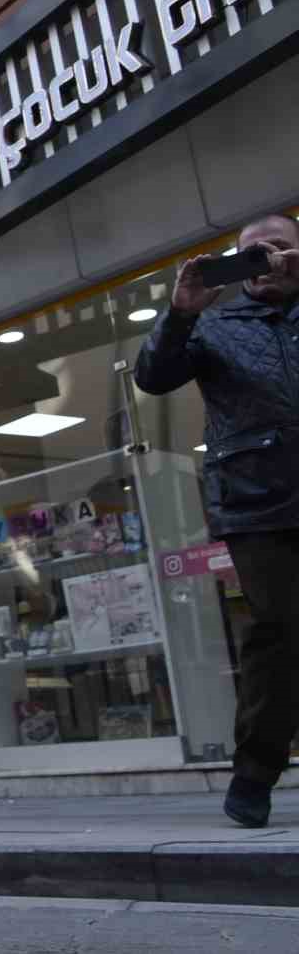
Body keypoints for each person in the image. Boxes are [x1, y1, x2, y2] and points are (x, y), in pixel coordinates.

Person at [135, 213, 299, 829]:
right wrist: (180, 312)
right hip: (257, 502)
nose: (268, 262)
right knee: (279, 632)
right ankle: (255, 772)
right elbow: (153, 377)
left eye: (280, 249)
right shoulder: (214, 322)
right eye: (253, 254)